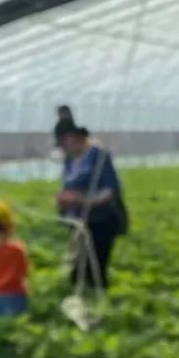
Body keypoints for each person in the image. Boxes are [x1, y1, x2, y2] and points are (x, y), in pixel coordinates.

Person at [54, 118, 127, 293]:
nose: (63, 147)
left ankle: (99, 305)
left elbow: (110, 191)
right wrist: (64, 199)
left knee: (95, 269)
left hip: (100, 220)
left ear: (76, 137)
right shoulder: (70, 159)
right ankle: (81, 301)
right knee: (77, 270)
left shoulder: (99, 156)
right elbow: (69, 184)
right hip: (78, 221)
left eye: (65, 142)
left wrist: (82, 200)